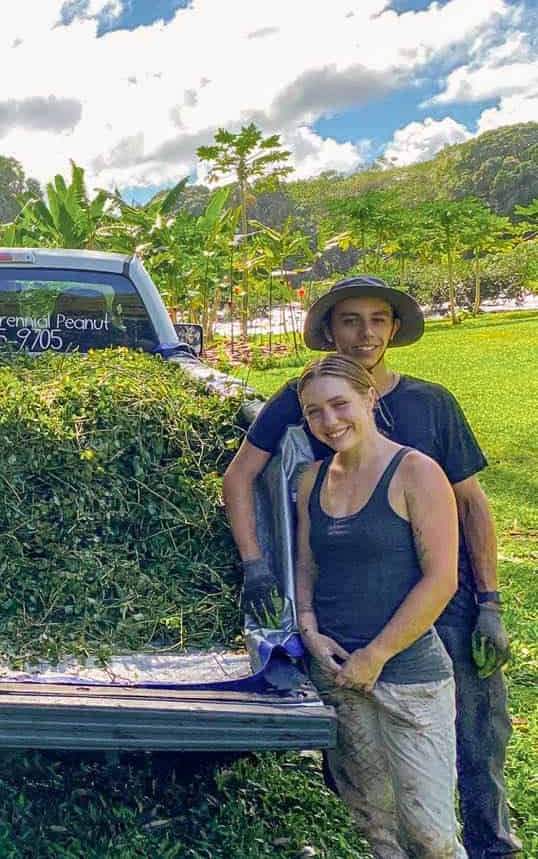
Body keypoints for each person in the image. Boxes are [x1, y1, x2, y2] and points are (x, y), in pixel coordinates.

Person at [224, 276, 521, 858]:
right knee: (368, 790)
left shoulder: (431, 407)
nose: (365, 333)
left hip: (444, 602)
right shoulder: (301, 401)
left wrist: (490, 602)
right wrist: (258, 569)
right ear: (329, 331)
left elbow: (472, 505)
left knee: (474, 738)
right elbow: (248, 482)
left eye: (377, 320)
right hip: (349, 608)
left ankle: (493, 846)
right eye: (350, 320)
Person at [295, 354, 464, 858]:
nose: (329, 421)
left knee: (431, 837)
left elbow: (441, 581)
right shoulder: (311, 480)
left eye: (339, 404)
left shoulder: (416, 472)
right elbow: (307, 566)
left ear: (369, 398)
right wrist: (308, 627)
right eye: (314, 412)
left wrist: (377, 655)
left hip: (409, 679)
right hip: (340, 678)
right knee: (374, 829)